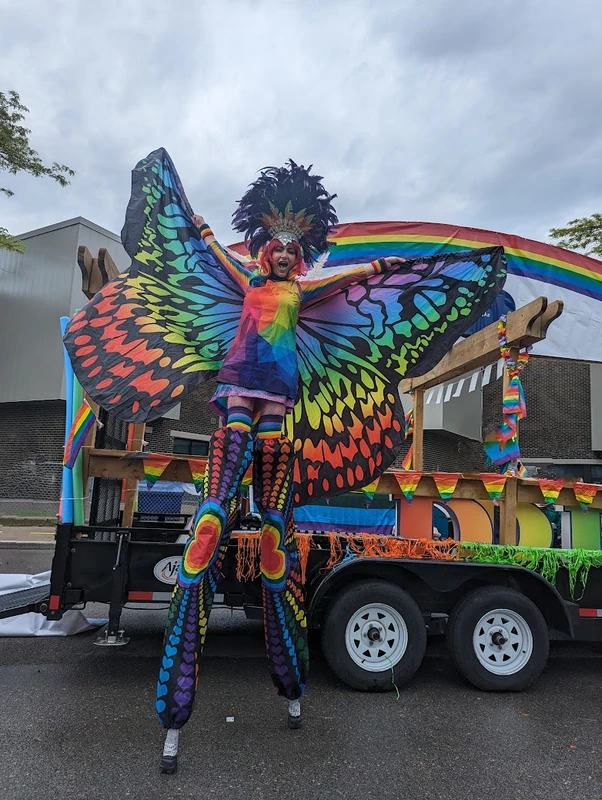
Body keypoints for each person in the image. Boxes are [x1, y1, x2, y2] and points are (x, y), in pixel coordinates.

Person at [63, 149, 508, 774]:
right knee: (209, 526)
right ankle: (176, 711)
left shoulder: (305, 293)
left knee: (277, 537)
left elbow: (349, 286)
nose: (280, 253)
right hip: (236, 400)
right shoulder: (244, 283)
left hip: (285, 408)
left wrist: (394, 265)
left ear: (299, 257)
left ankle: (291, 684)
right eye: (271, 244)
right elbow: (212, 256)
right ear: (260, 246)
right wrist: (205, 229)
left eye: (290, 249)